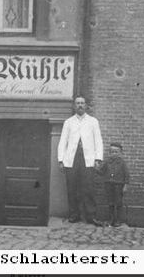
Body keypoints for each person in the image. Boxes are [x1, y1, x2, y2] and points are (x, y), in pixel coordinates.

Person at [58, 96, 104, 226]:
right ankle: (74, 215)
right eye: (77, 103)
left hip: (87, 158)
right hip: (71, 159)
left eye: (82, 103)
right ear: (74, 106)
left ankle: (91, 216)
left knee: (88, 188)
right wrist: (61, 160)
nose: (80, 105)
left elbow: (98, 140)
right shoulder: (68, 122)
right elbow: (63, 142)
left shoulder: (93, 121)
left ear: (86, 106)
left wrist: (98, 158)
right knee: (72, 188)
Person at [97, 142, 130, 227]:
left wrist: (125, 185)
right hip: (108, 184)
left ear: (120, 153)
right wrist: (96, 168)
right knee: (110, 202)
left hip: (118, 185)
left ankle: (118, 220)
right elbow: (101, 171)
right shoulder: (107, 162)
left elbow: (126, 175)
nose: (114, 154)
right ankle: (110, 219)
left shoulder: (122, 163)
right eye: (112, 152)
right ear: (109, 153)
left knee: (118, 203)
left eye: (116, 152)